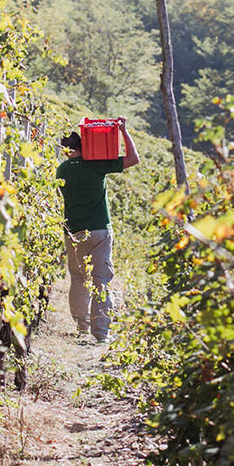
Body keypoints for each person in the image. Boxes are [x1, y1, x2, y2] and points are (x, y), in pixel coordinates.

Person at [56, 117, 139, 343]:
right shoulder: (97, 164)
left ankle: (81, 327)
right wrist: (123, 130)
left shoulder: (61, 170)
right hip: (100, 231)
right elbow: (133, 159)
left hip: (73, 232)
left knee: (77, 278)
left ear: (65, 151)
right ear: (84, 146)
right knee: (101, 280)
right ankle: (101, 333)